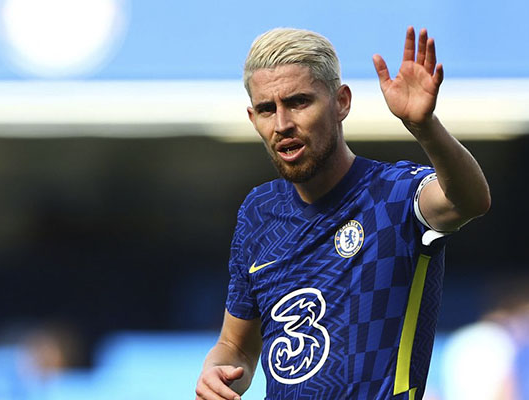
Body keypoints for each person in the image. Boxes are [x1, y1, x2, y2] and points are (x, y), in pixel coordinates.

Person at [195, 26, 490, 400]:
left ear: (341, 103)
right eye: (267, 109)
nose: (282, 124)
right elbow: (235, 346)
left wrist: (425, 126)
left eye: (299, 102)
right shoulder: (259, 211)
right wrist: (216, 373)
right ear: (253, 118)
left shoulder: (394, 194)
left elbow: (468, 201)